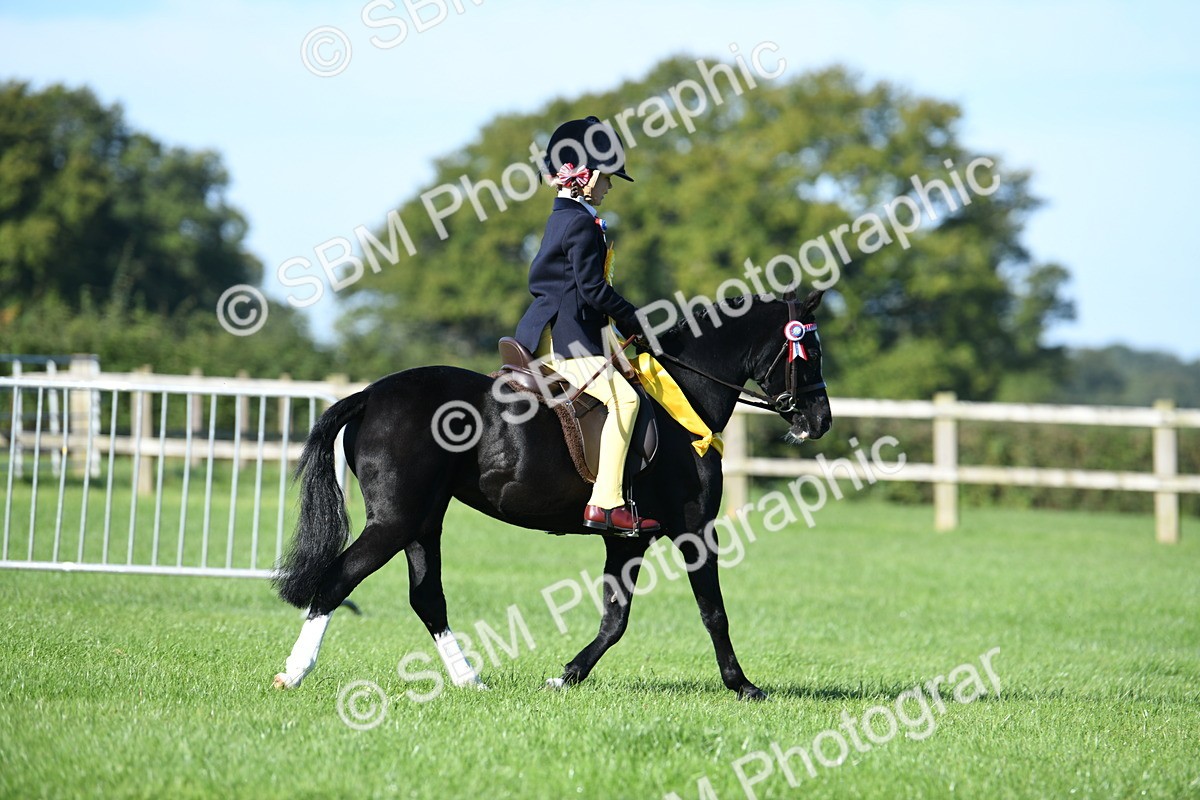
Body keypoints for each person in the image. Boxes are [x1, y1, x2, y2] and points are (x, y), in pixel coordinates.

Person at [514, 116, 660, 535]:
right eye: (607, 177)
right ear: (587, 176)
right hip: (572, 341)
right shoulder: (580, 223)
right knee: (626, 402)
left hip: (563, 333)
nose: (611, 186)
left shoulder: (564, 218)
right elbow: (594, 291)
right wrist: (634, 318)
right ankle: (607, 503)